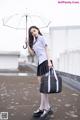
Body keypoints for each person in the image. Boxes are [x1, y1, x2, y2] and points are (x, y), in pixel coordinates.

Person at [28, 26, 53, 119]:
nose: (33, 33)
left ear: (37, 30)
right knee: (42, 87)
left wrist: (49, 61)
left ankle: (44, 108)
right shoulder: (34, 42)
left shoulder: (42, 38)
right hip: (40, 63)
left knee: (44, 87)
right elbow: (32, 54)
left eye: (34, 30)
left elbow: (47, 49)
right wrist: (27, 44)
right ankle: (44, 107)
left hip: (46, 62)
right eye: (31, 32)